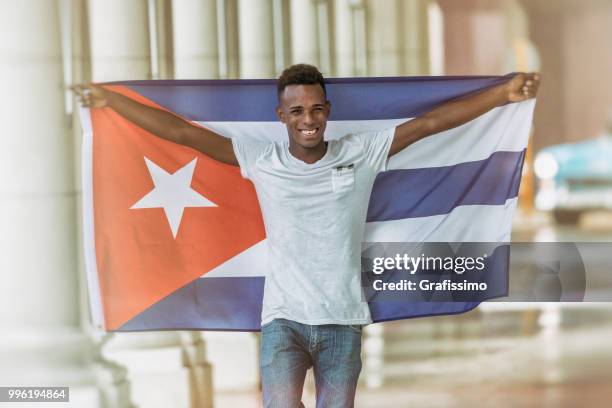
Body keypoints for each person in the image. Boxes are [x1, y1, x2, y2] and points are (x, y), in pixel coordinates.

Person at [75, 64, 539, 407]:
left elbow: (430, 124)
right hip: (283, 322)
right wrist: (111, 101)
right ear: (281, 115)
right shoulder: (262, 160)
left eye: (316, 109)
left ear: (328, 111)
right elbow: (181, 131)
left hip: (342, 321)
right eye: (297, 110)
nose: (308, 119)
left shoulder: (363, 152)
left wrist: (504, 93)